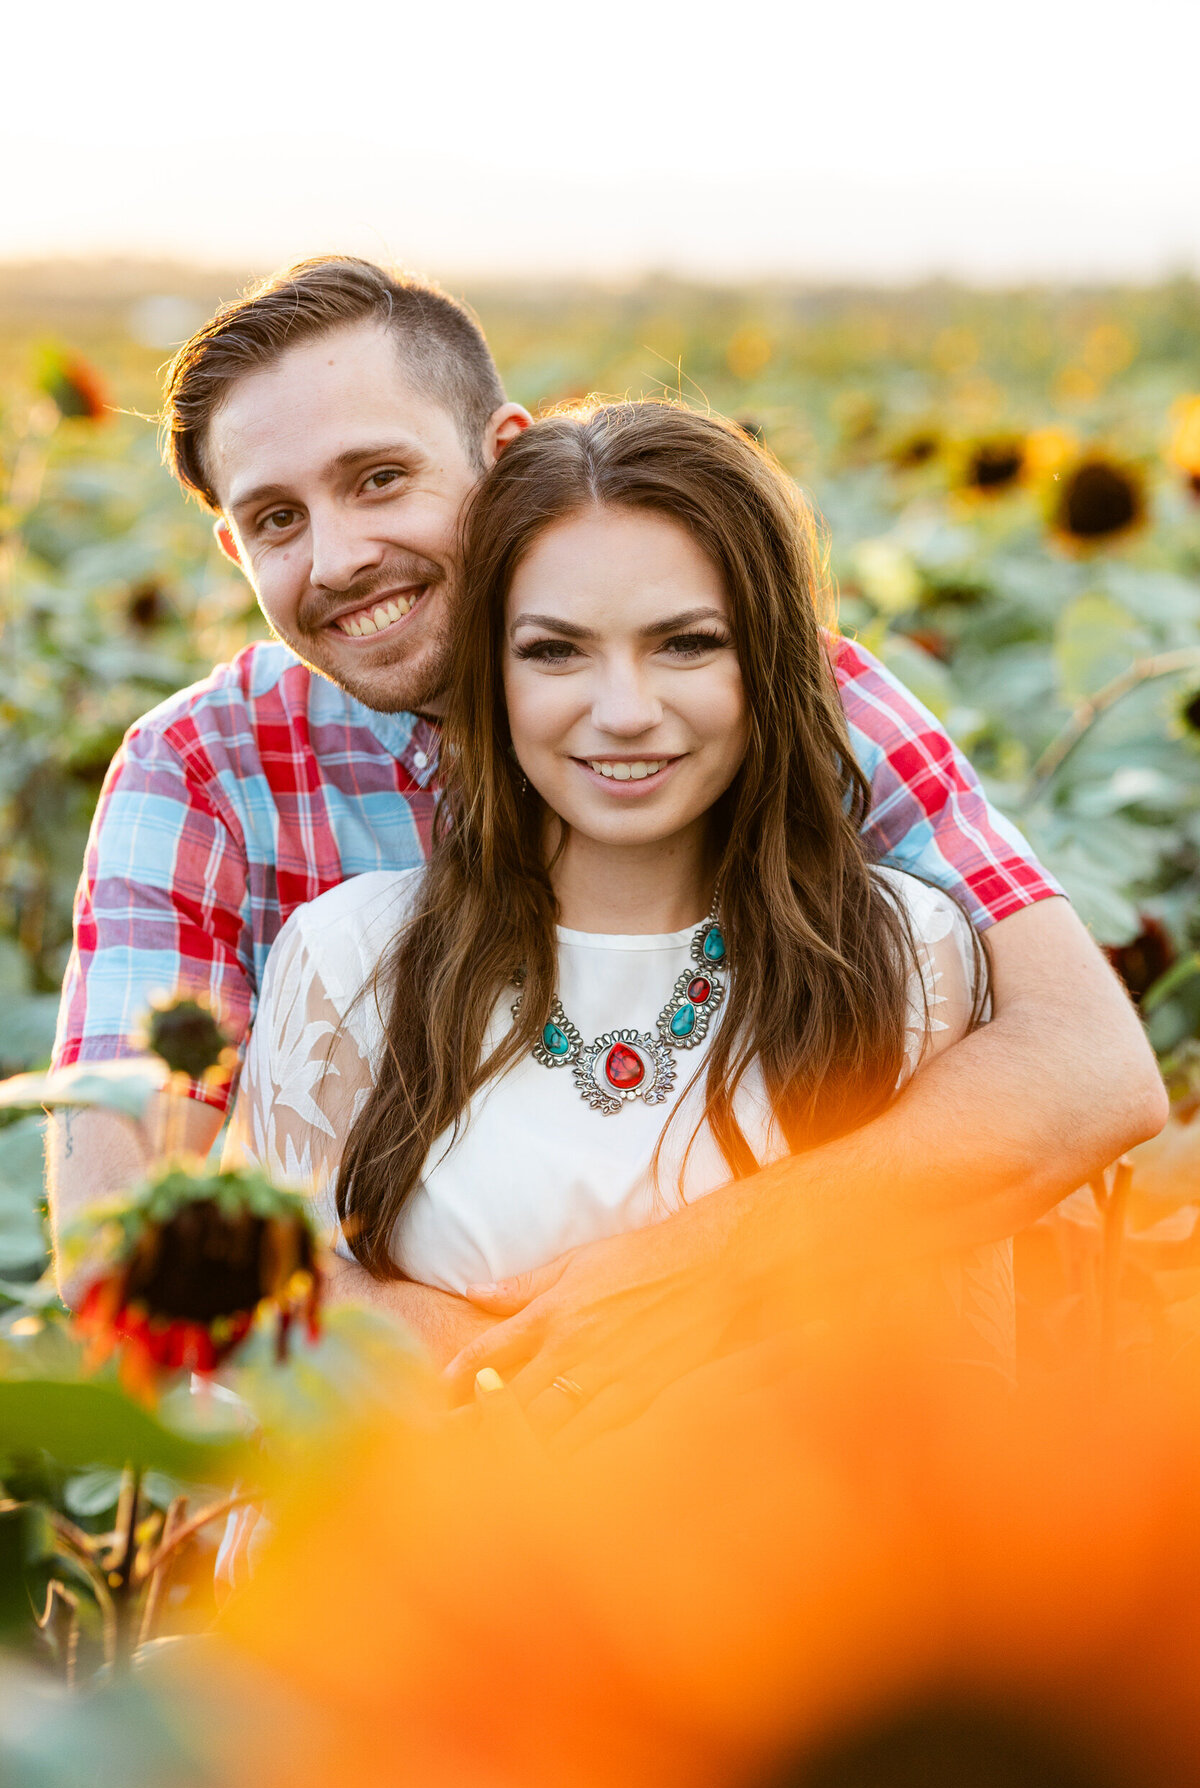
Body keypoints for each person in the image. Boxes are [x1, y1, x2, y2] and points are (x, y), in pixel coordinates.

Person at [48, 257, 1165, 1402]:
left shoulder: (773, 694)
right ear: (235, 553)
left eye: (380, 478)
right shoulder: (203, 769)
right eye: (278, 519)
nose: (337, 558)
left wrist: (676, 1286)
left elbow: (1084, 1064)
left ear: (502, 456)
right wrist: (505, 1385)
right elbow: (114, 1230)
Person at [228, 399, 1015, 1384]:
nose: (626, 712)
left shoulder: (907, 955)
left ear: (765, 662)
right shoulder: (346, 961)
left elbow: (971, 1388)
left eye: (686, 643)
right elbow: (275, 1358)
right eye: (555, 651)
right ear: (489, 675)